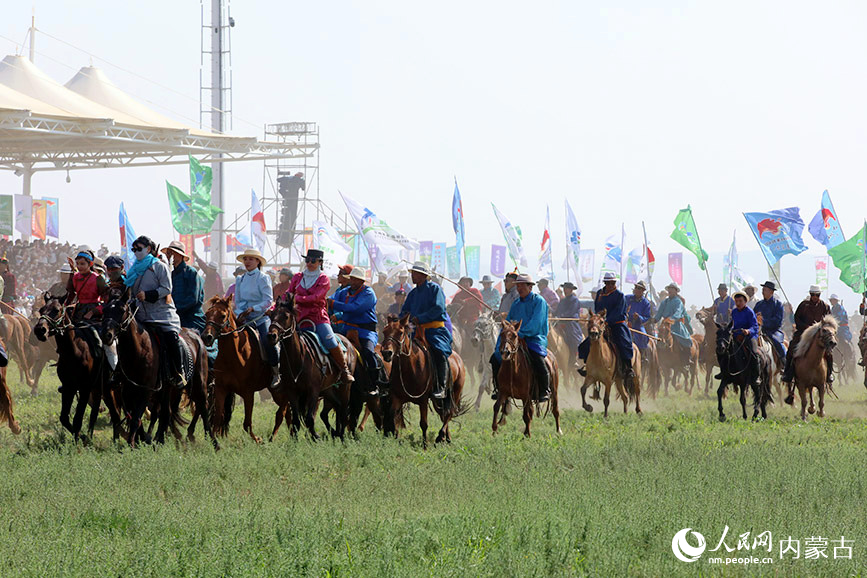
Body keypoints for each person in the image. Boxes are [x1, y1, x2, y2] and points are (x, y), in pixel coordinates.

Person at [287, 249, 355, 385]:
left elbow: (316, 297)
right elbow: (288, 294)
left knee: (330, 341)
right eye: (307, 260)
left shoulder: (324, 279)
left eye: (313, 261)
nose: (310, 263)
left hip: (317, 318)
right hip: (299, 318)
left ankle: (344, 370)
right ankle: (279, 372)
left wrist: (297, 298)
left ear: (320, 262)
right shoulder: (297, 277)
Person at [125, 235, 186, 387]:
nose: (136, 252)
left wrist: (148, 295)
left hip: (161, 315)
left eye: (139, 249)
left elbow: (166, 288)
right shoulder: (133, 269)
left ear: (149, 249)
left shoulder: (159, 266)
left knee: (172, 338)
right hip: (140, 315)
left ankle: (179, 372)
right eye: (134, 250)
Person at [490, 274, 551, 401]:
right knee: (495, 359)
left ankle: (545, 390)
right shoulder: (516, 303)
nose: (519, 288)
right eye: (517, 285)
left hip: (534, 338)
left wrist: (520, 333)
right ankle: (499, 388)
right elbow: (508, 321)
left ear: (530, 287)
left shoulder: (539, 301)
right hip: (514, 338)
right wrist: (506, 327)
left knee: (538, 359)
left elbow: (536, 323)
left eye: (522, 285)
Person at [232, 249, 282, 389]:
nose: (247, 262)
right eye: (245, 259)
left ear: (257, 262)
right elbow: (238, 300)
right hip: (244, 318)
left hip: (260, 317)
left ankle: (276, 373)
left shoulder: (263, 277)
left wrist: (253, 309)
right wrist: (241, 312)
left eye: (250, 259)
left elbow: (268, 300)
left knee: (268, 340)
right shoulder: (240, 279)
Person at [400, 261, 452, 399]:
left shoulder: (435, 289)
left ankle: (441, 387)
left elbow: (439, 309)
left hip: (435, 331)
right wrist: (399, 319)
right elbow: (405, 310)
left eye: (416, 274)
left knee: (439, 352)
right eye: (413, 273)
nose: (413, 276)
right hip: (416, 331)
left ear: (424, 276)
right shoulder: (412, 293)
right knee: (399, 350)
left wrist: (420, 318)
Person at [577, 272, 634, 387]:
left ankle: (628, 368)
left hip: (617, 324)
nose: (610, 285)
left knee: (624, 344)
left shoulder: (619, 295)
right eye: (608, 283)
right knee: (586, 344)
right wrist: (598, 320)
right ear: (605, 283)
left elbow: (619, 312)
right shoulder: (599, 294)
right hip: (601, 324)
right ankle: (587, 366)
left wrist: (606, 320)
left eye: (612, 283)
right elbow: (598, 308)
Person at [330, 267, 381, 394]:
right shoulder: (344, 291)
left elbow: (355, 308)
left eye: (355, 279)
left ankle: (375, 384)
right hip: (346, 330)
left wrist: (333, 304)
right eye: (351, 278)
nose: (352, 281)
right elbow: (331, 298)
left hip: (365, 332)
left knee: (369, 352)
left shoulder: (369, 293)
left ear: (361, 281)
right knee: (331, 349)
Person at [782, 285, 832, 386]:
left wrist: (820, 329)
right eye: (813, 294)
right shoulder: (803, 305)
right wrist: (808, 328)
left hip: (820, 335)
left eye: (817, 295)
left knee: (829, 352)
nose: (814, 297)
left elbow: (828, 322)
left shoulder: (825, 307)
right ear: (810, 294)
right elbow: (797, 319)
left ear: (819, 295)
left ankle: (829, 374)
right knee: (792, 348)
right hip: (803, 333)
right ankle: (788, 373)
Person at [161, 241, 205, 332]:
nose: (169, 255)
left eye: (171, 253)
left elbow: (193, 299)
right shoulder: (171, 275)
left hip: (191, 318)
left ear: (180, 255)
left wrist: (175, 309)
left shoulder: (191, 272)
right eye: (168, 253)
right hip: (174, 317)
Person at [64, 248, 108, 323]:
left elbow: (107, 300)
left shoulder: (98, 278)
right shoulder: (75, 277)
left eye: (82, 264)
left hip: (94, 312)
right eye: (77, 263)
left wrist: (93, 312)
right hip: (78, 310)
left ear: (90, 264)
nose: (79, 266)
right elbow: (71, 294)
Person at [654, 282, 693, 362]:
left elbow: (678, 313)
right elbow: (659, 313)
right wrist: (654, 320)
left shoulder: (678, 302)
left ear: (676, 291)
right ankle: (658, 360)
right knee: (659, 340)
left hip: (676, 326)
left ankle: (687, 359)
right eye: (669, 289)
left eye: (672, 289)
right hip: (665, 325)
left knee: (686, 340)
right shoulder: (664, 302)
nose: (670, 290)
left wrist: (670, 319)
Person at [728, 290, 761, 384]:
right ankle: (725, 373)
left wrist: (748, 331)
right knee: (726, 351)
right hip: (736, 336)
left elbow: (755, 326)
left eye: (740, 301)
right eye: (736, 301)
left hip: (749, 337)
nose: (738, 303)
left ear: (745, 301)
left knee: (754, 353)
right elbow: (733, 325)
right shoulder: (734, 312)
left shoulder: (749, 312)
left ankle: (757, 376)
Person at [753, 281, 786, 364]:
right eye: (763, 290)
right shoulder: (759, 304)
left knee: (778, 344)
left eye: (765, 290)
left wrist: (763, 322)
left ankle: (784, 363)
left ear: (771, 292)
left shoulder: (778, 304)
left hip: (773, 331)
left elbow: (778, 321)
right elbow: (753, 317)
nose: (763, 292)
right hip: (759, 331)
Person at [553, 281, 582, 361]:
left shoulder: (575, 300)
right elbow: (557, 311)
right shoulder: (562, 300)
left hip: (570, 323)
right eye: (564, 288)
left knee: (573, 338)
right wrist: (551, 311)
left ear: (571, 290)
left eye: (567, 289)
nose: (565, 290)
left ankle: (574, 358)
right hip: (559, 322)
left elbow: (571, 312)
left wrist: (560, 316)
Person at [625, 281, 653, 354]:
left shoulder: (646, 303)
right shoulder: (627, 298)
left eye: (639, 288)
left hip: (638, 326)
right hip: (626, 324)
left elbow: (647, 317)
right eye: (636, 288)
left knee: (643, 336)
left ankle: (643, 354)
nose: (637, 289)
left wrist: (639, 317)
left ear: (643, 291)